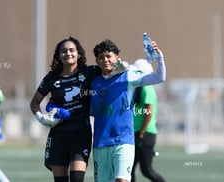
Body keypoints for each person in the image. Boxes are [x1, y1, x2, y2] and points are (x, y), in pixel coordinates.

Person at [90, 39, 166, 182]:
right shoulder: (93, 82)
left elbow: (159, 77)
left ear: (117, 58)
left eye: (108, 56)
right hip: (100, 143)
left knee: (122, 180)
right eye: (101, 57)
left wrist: (159, 56)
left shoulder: (129, 76)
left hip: (123, 142)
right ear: (97, 61)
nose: (105, 60)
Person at [30, 36, 102, 182]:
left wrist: (123, 67)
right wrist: (42, 118)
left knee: (76, 179)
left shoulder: (88, 72)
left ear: (79, 54)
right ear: (58, 55)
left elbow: (108, 68)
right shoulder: (51, 78)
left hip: (81, 134)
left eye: (71, 50)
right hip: (58, 135)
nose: (68, 53)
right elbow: (34, 102)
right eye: (64, 51)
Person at [131, 59, 166, 182]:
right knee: (129, 170)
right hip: (136, 133)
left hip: (144, 134)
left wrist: (142, 132)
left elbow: (149, 111)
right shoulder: (137, 88)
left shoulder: (147, 88)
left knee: (146, 170)